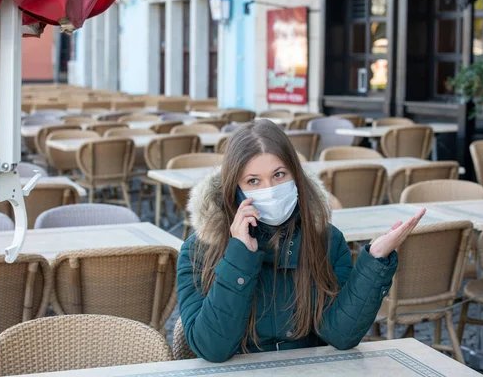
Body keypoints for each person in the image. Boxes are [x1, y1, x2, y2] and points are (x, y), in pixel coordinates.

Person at [177, 119, 426, 362]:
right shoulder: (198, 250)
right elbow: (212, 348)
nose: (270, 189)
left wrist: (375, 261)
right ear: (235, 189)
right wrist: (239, 255)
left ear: (295, 176)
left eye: (279, 174)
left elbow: (341, 335)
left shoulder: (326, 239)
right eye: (253, 181)